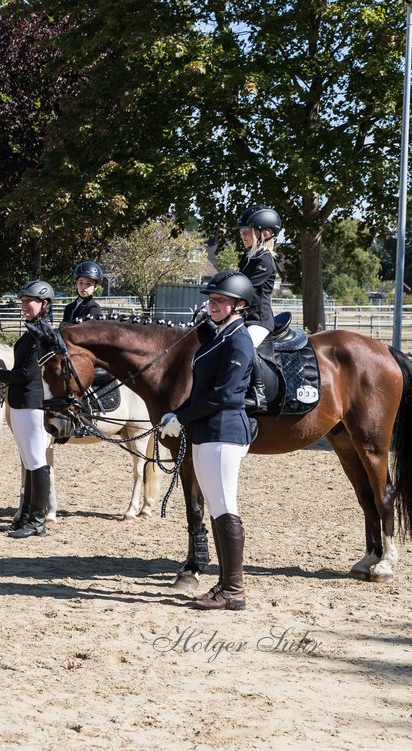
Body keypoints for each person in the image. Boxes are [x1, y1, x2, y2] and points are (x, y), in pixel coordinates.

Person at [156, 270, 256, 611]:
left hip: (225, 432)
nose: (212, 305)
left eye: (220, 301)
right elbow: (200, 390)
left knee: (226, 508)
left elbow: (223, 394)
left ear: (239, 305)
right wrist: (176, 413)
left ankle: (234, 590)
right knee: (217, 509)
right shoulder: (217, 337)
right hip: (207, 433)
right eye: (211, 300)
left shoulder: (239, 340)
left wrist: (182, 417)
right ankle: (225, 585)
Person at [0, 279, 56, 538]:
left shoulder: (41, 334)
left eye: (30, 300)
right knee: (29, 462)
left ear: (45, 304)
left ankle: (37, 521)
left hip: (31, 402)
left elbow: (27, 373)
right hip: (20, 403)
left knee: (37, 461)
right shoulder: (31, 332)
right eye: (23, 300)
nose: (24, 304)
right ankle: (27, 518)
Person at [235, 205, 280, 349]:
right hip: (243, 317)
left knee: (242, 350)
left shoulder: (264, 261)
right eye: (242, 232)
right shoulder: (248, 258)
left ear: (265, 234)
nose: (243, 235)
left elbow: (246, 289)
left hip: (258, 321)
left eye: (247, 231)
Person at [62, 260, 103, 326]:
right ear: (76, 284)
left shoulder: (94, 308)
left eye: (88, 284)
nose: (83, 287)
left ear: (95, 287)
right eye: (80, 283)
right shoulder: (69, 307)